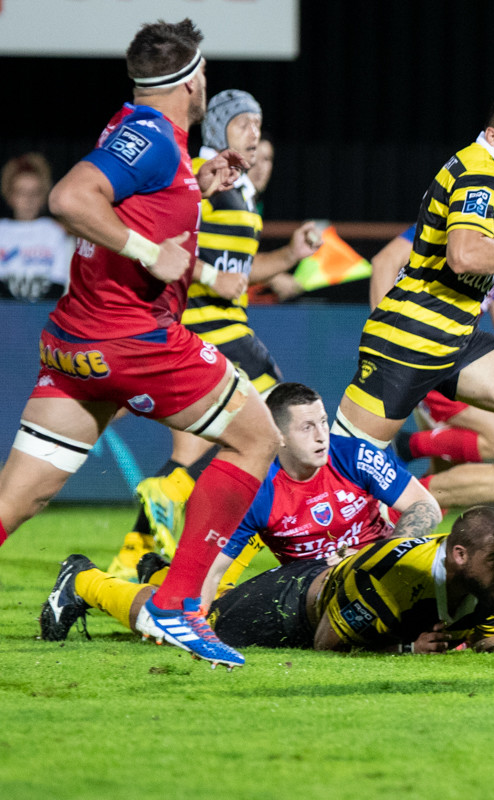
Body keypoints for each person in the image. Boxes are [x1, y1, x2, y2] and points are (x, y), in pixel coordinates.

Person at [0, 19, 279, 669]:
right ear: (191, 82)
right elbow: (71, 196)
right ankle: (177, 605)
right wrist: (150, 252)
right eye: (204, 72)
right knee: (258, 437)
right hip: (133, 339)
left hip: (76, 347)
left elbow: (134, 197)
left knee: (17, 499)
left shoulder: (146, 136)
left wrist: (200, 179)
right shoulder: (151, 136)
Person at [332, 93, 494, 608]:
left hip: (454, 337)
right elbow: (464, 253)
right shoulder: (479, 174)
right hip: (410, 338)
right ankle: (238, 575)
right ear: (492, 136)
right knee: (338, 475)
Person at [40, 382, 443, 642]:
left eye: (323, 421)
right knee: (187, 616)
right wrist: (188, 619)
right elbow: (211, 576)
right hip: (305, 586)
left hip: (374, 571)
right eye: (307, 427)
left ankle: (160, 573)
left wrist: (382, 556)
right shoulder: (256, 491)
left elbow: (425, 506)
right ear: (278, 436)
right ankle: (86, 582)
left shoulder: (352, 455)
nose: (323, 436)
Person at [112, 90, 322, 579]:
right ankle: (242, 553)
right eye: (244, 124)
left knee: (193, 448)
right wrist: (207, 276)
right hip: (208, 327)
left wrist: (291, 255)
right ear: (218, 128)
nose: (255, 135)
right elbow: (160, 238)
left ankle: (131, 557)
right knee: (281, 424)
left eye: (259, 126)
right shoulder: (202, 176)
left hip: (218, 327)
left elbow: (238, 275)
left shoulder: (241, 195)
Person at [43, 507, 494, 656]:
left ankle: (160, 570)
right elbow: (326, 642)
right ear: (459, 556)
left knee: (198, 603)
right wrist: (406, 649)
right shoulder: (394, 578)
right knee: (180, 624)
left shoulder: (492, 576)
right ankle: (84, 581)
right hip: (294, 604)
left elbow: (482, 635)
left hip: (333, 584)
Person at [0, 152, 74, 300]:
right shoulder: (2, 230)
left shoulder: (55, 231)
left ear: (43, 196)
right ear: (10, 194)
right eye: (21, 192)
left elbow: (59, 281)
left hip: (44, 308)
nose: (28, 199)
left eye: (35, 193)